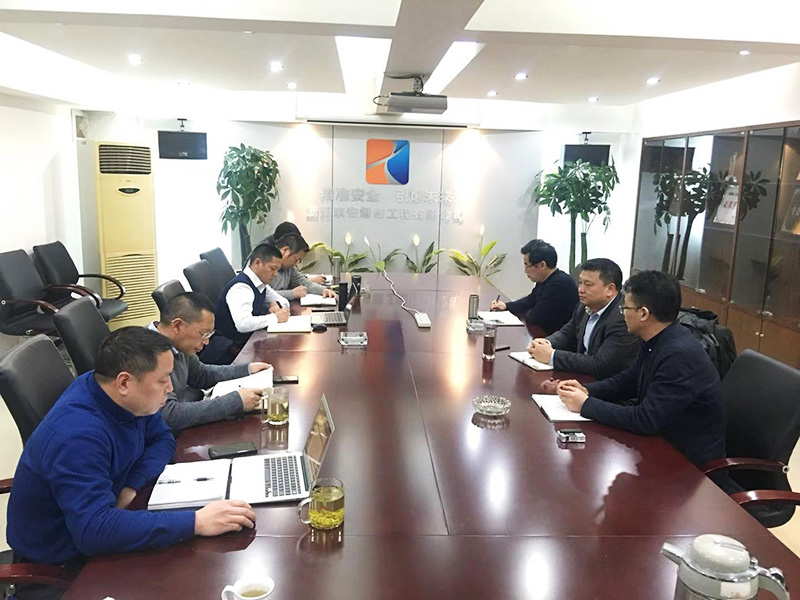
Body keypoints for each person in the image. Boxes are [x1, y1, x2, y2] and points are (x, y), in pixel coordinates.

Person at [6, 328, 256, 599]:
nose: (171, 388)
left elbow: (163, 438)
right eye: (163, 380)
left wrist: (131, 486)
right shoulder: (77, 435)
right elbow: (93, 531)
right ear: (124, 382)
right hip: (63, 567)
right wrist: (196, 522)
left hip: (108, 517)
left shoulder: (121, 396)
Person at [555, 270, 726, 467]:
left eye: (625, 308)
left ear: (643, 313)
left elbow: (646, 419)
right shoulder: (657, 338)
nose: (622, 314)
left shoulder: (679, 355)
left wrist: (586, 405)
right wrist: (587, 390)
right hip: (661, 446)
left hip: (688, 465)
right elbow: (628, 381)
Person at [151, 292, 272, 432]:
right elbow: (169, 415)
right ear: (177, 326)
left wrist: (247, 369)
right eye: (203, 334)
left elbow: (201, 374)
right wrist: (235, 402)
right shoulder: (147, 352)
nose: (207, 342)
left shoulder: (178, 345)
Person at [529, 258, 640, 379]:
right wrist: (546, 343)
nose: (580, 289)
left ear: (610, 289)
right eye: (580, 283)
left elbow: (600, 364)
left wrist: (552, 356)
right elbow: (568, 333)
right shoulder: (585, 304)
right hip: (581, 375)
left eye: (588, 285)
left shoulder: (623, 318)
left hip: (606, 383)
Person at [490, 239, 578, 335]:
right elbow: (531, 300)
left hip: (557, 339)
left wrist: (527, 310)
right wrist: (506, 306)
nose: (525, 271)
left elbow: (535, 317)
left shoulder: (560, 284)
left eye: (527, 265)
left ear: (542, 265)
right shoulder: (545, 279)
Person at [215, 242, 290, 348]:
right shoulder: (241, 288)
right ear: (257, 263)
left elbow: (284, 302)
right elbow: (243, 324)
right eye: (273, 269)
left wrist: (273, 304)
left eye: (277, 270)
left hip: (252, 340)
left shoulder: (260, 283)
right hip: (234, 347)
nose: (275, 274)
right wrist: (275, 317)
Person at [269, 232, 337, 301]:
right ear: (285, 250)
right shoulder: (266, 264)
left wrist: (324, 290)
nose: (296, 264)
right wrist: (292, 293)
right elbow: (265, 294)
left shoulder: (290, 269)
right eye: (296, 259)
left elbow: (306, 284)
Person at [259, 221, 326, 285]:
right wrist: (294, 291)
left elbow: (295, 276)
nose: (295, 264)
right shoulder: (265, 256)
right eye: (296, 260)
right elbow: (269, 291)